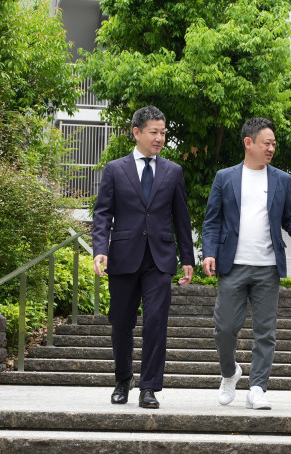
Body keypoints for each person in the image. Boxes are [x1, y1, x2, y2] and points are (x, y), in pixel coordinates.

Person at [201, 117, 291, 410]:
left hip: (268, 267)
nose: (271, 148)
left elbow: (289, 219)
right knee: (225, 328)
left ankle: (257, 388)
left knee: (265, 332)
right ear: (248, 143)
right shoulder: (225, 177)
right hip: (233, 265)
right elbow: (212, 221)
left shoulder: (282, 179)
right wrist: (209, 252)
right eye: (267, 143)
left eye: (273, 144)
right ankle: (229, 372)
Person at [92, 105, 194, 409]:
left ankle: (149, 387)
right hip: (124, 256)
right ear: (137, 133)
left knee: (156, 322)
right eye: (154, 132)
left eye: (163, 132)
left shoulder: (173, 171)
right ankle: (123, 379)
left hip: (159, 259)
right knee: (121, 322)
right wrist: (100, 249)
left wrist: (187, 258)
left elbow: (182, 218)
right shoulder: (115, 169)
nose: (160, 138)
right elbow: (103, 213)